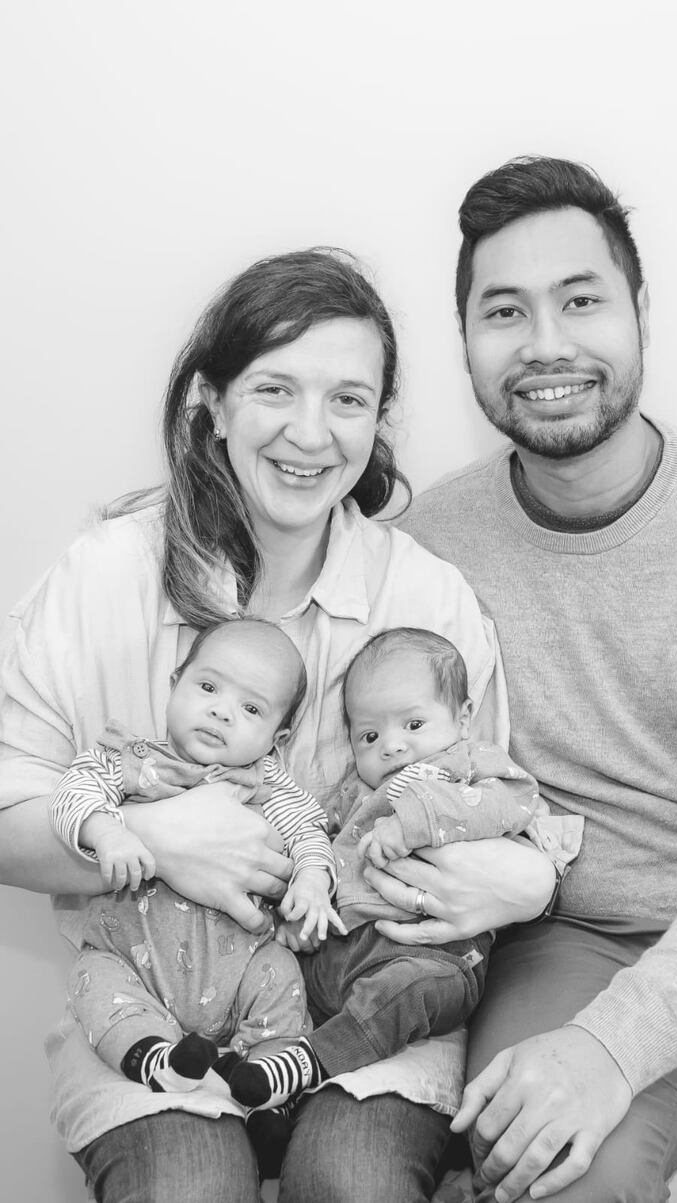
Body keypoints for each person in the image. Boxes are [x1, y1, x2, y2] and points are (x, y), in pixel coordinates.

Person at [0, 247, 557, 1203]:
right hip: (156, 999)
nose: (311, 432)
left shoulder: (424, 595)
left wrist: (523, 875)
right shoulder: (103, 577)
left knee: (354, 1182)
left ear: (381, 421)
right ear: (212, 402)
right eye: (274, 389)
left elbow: (493, 810)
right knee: (185, 1188)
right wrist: (150, 840)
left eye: (348, 399)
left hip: (366, 1027)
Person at [397, 156, 677, 1202]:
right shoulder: (428, 553)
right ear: (467, 344)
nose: (544, 345)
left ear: (636, 314)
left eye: (579, 300)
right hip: (567, 941)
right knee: (539, 1171)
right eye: (503, 311)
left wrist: (615, 1049)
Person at [231, 627, 581, 1111]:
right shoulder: (354, 795)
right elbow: (320, 850)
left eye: (413, 725)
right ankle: (275, 1093)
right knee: (277, 972)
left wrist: (415, 821)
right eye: (370, 736)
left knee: (412, 990)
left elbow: (512, 803)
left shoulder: (467, 764)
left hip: (431, 955)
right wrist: (302, 912)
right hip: (340, 953)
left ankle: (314, 1060)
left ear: (462, 719)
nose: (392, 747)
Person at [49, 616, 343, 1099]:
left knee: (282, 974)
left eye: (251, 708)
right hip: (133, 968)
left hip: (239, 973)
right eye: (208, 686)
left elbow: (311, 835)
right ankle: (156, 1060)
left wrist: (312, 881)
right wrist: (106, 830)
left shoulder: (271, 792)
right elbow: (69, 794)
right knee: (91, 977)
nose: (222, 712)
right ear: (174, 684)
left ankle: (268, 1084)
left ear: (278, 739)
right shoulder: (130, 762)